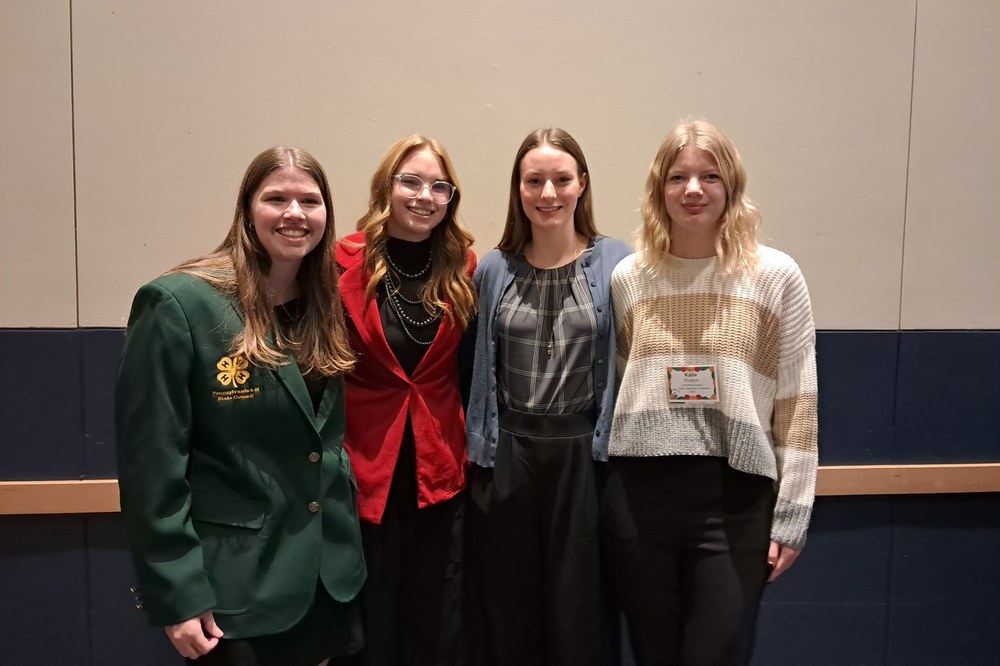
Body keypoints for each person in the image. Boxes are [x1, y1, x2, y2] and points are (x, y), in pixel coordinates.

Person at [116, 147, 365, 665]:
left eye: (309, 200)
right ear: (247, 210)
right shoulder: (179, 303)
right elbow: (151, 467)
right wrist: (177, 594)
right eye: (276, 198)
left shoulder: (326, 301)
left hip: (329, 581)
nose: (294, 213)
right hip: (234, 589)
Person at [604, 119, 818, 665]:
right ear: (660, 190)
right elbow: (623, 386)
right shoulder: (630, 277)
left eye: (708, 176)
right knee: (654, 654)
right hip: (640, 497)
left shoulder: (775, 276)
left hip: (735, 501)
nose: (693, 190)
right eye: (678, 177)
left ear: (731, 187)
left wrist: (792, 514)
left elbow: (798, 401)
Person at [464, 127, 632, 666]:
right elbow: (475, 371)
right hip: (508, 456)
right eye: (534, 181)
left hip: (584, 458)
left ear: (582, 184)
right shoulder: (494, 269)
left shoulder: (616, 262)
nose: (548, 194)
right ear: (518, 189)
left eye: (561, 179)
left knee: (579, 610)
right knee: (509, 610)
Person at [335, 135, 477, 666]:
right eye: (411, 181)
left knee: (435, 623)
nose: (425, 196)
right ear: (386, 188)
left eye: (439, 186)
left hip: (438, 474)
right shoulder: (339, 262)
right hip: (364, 472)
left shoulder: (462, 268)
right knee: (369, 625)